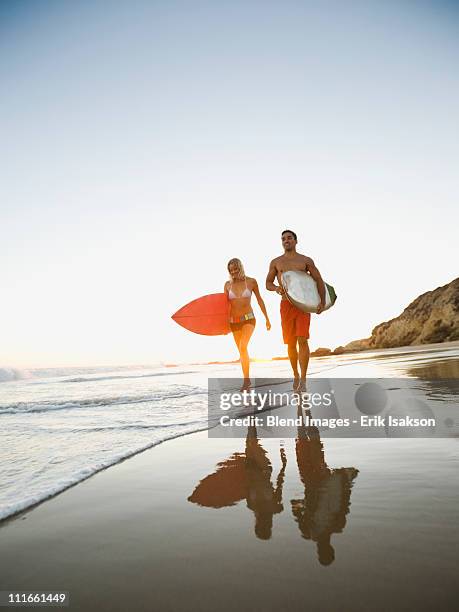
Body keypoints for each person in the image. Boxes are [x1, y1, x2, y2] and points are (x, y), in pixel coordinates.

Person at [266, 229, 326, 391]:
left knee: (302, 339)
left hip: (303, 304)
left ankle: (304, 379)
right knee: (291, 343)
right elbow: (268, 283)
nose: (286, 240)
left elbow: (318, 279)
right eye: (283, 239)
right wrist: (277, 289)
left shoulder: (305, 260)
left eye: (289, 238)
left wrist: (321, 300)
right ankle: (296, 374)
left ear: (295, 241)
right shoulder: (276, 262)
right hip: (286, 304)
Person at [224, 258, 271, 390]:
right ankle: (247, 379)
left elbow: (260, 300)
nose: (233, 272)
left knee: (243, 346)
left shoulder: (251, 282)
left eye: (236, 269)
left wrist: (267, 318)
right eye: (231, 270)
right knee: (241, 350)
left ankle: (246, 381)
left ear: (241, 268)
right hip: (234, 321)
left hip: (249, 319)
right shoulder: (227, 285)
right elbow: (224, 307)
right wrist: (223, 325)